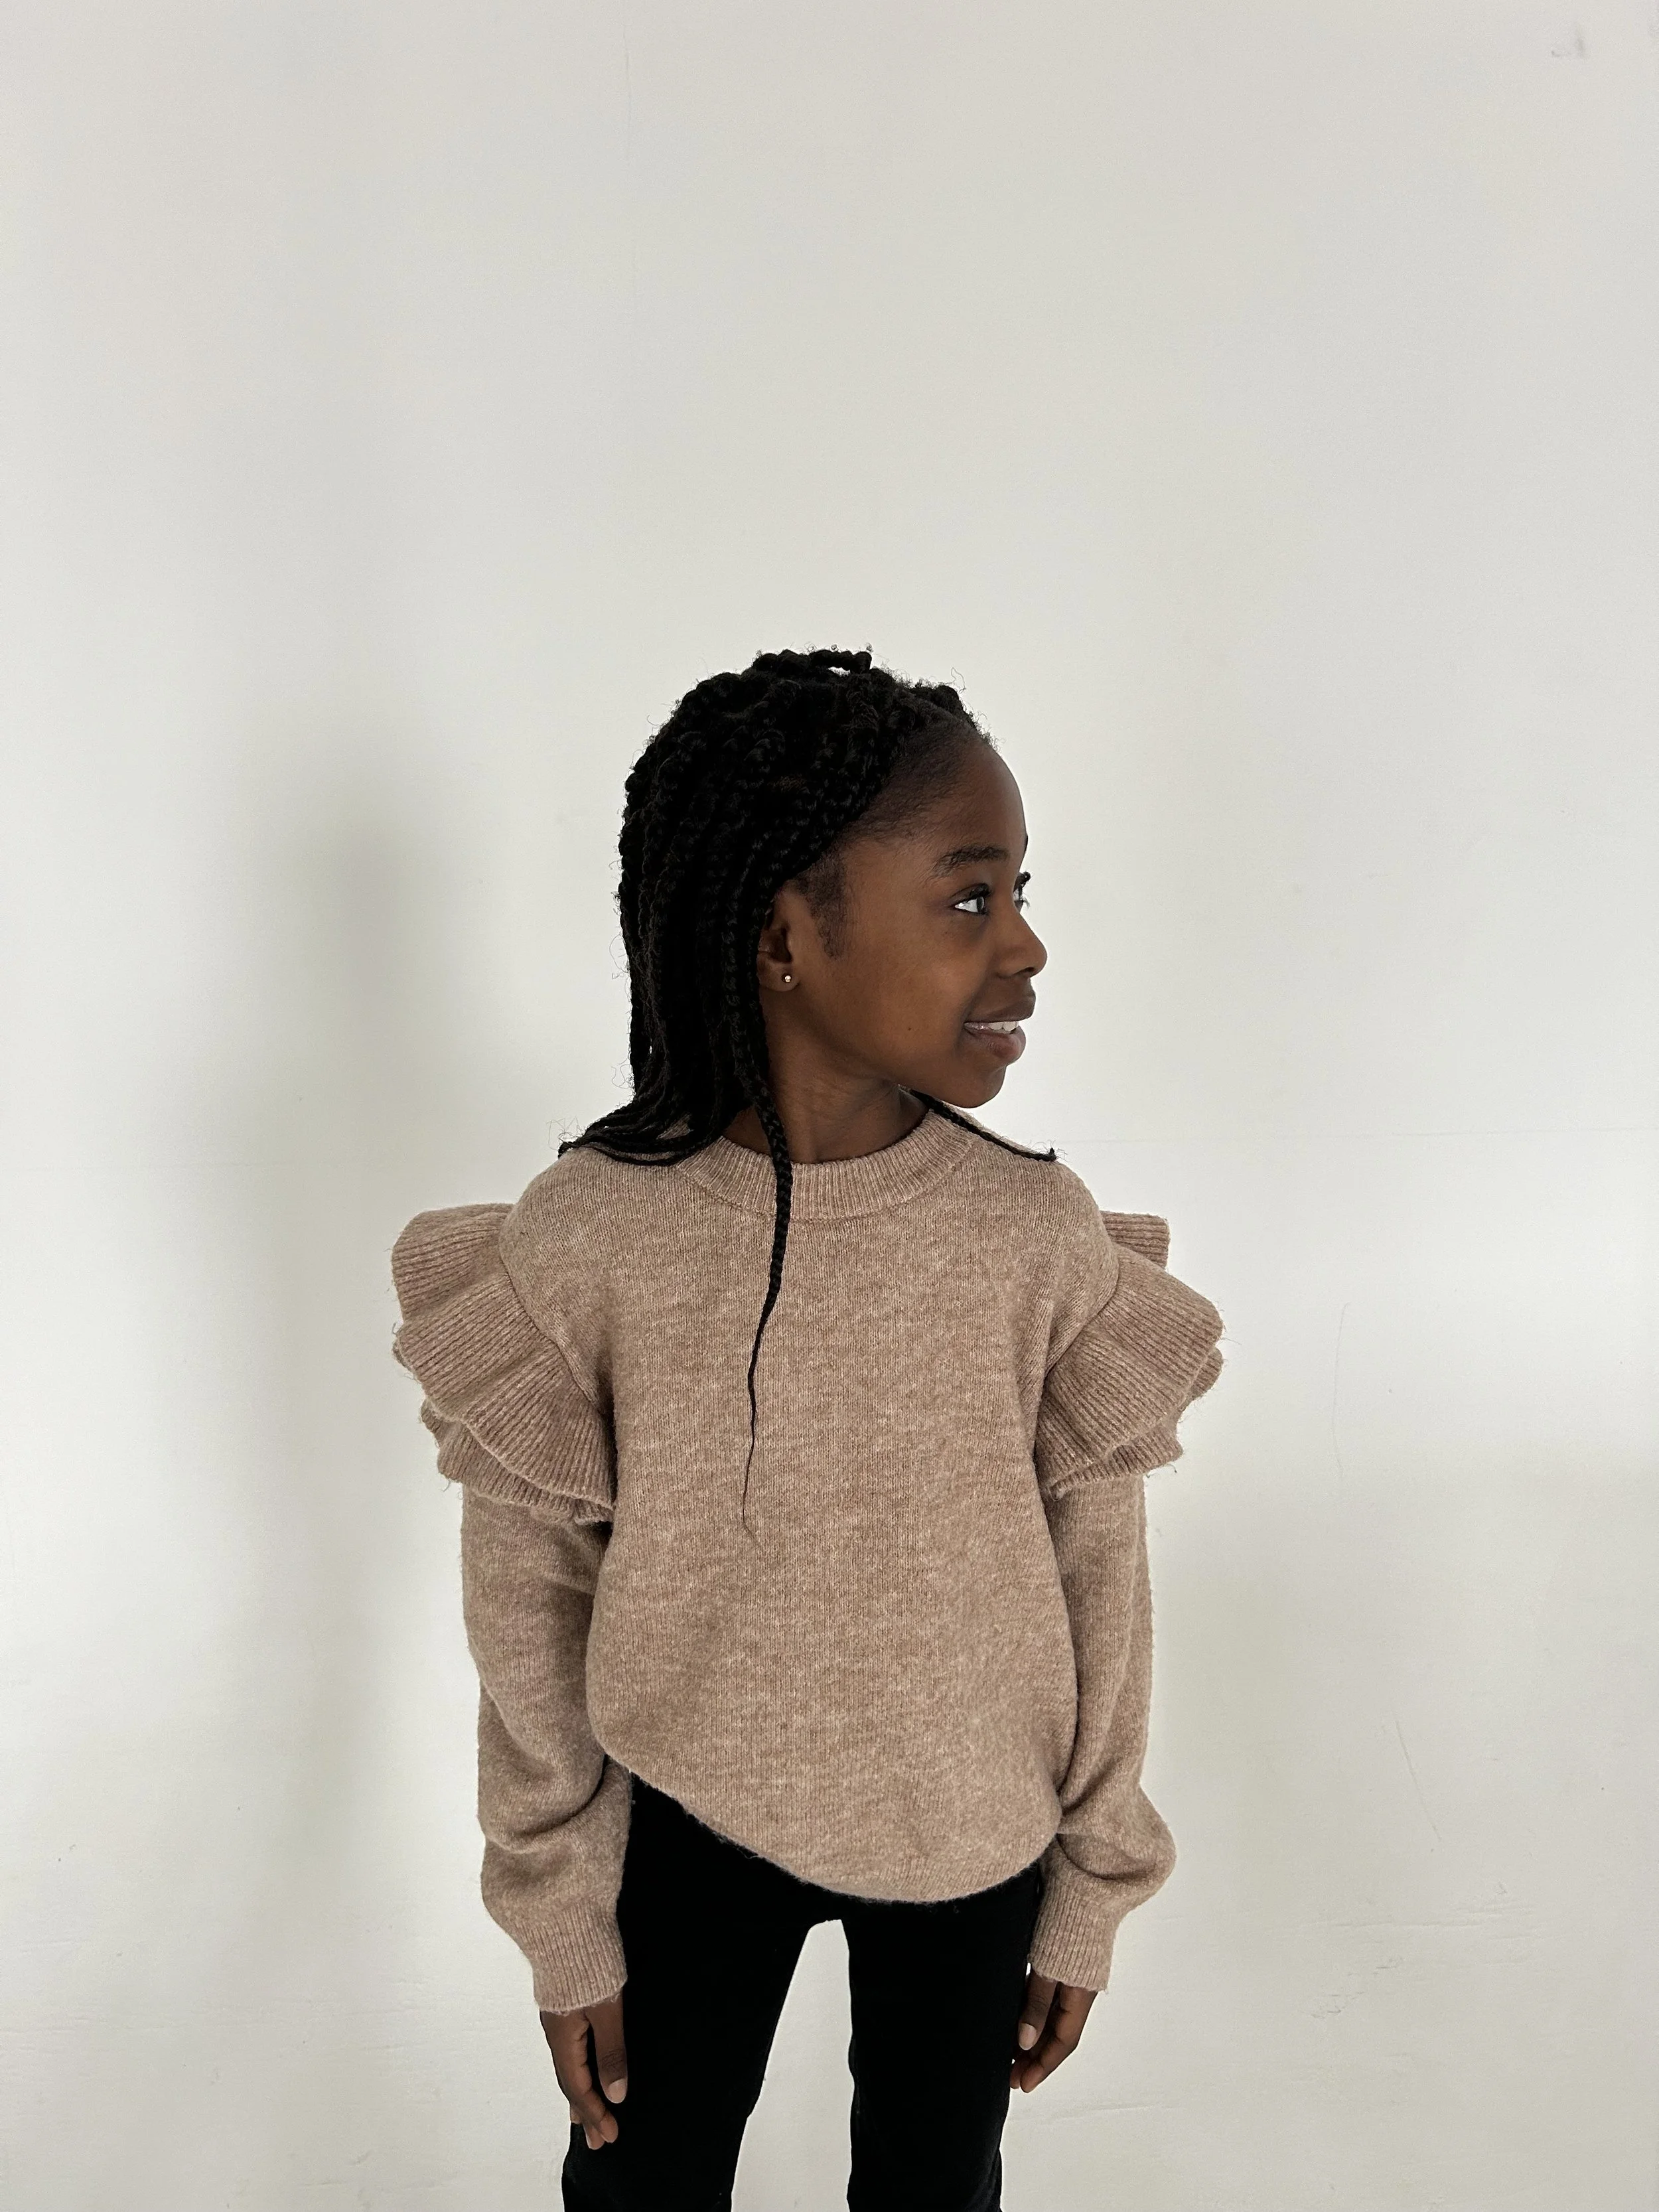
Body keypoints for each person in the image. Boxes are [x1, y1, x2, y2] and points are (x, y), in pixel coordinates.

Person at [390, 646, 1226, 2211]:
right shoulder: (592, 1237)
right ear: (783, 934)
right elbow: (528, 1599)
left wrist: (1090, 1878)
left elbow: (1096, 1571)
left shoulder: (1032, 1235)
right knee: (637, 2187)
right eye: (967, 897)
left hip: (974, 1831)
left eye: (1017, 892)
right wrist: (562, 1913)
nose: (1025, 945)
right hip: (682, 1810)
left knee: (931, 2190)